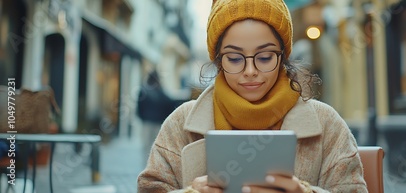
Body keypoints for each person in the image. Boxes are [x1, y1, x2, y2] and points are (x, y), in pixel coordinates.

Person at [137, 0, 368, 192]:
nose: (250, 71)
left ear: (282, 57)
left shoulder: (327, 124)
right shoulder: (180, 124)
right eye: (235, 59)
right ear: (219, 61)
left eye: (265, 57)